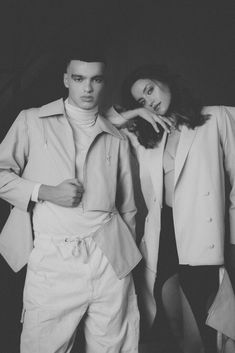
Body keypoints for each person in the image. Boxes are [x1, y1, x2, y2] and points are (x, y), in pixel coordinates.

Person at [0, 49, 142, 353]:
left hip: (110, 259)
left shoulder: (116, 136)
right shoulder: (31, 121)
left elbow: (128, 206)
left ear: (105, 82)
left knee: (116, 348)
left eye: (96, 79)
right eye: (79, 78)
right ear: (66, 80)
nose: (87, 88)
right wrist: (45, 191)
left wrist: (124, 257)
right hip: (54, 258)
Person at [106, 64, 235, 353]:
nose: (149, 101)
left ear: (166, 82)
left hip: (203, 233)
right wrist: (136, 114)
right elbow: (102, 123)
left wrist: (233, 238)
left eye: (149, 90)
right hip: (163, 234)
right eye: (140, 100)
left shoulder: (217, 117)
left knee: (205, 326)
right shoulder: (148, 136)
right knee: (174, 320)